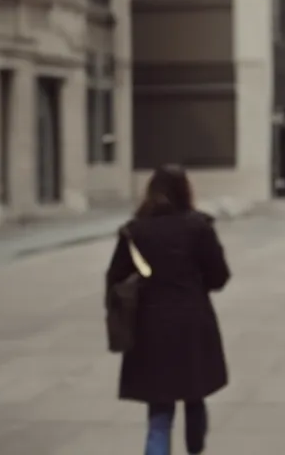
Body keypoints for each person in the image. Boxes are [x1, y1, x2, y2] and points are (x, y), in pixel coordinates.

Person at [105, 164, 230, 455]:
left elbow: (115, 279)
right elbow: (219, 276)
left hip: (150, 326)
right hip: (191, 322)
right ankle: (195, 450)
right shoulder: (199, 227)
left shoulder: (134, 232)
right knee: (195, 395)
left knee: (159, 411)